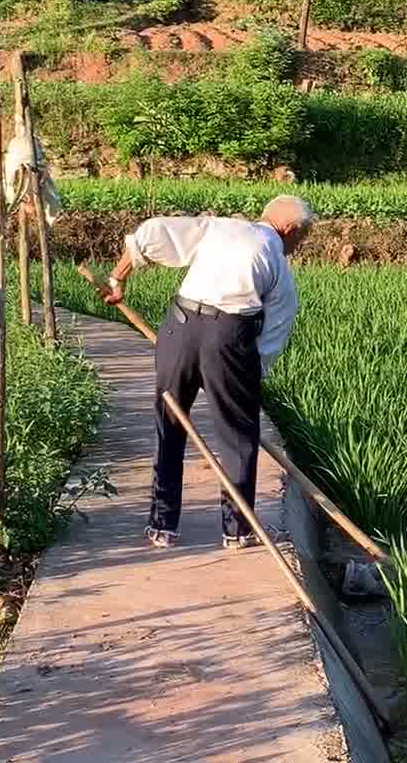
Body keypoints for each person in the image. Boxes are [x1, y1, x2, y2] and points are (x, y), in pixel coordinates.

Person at [103, 195, 316, 550]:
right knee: (236, 437)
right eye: (302, 238)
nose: (298, 245)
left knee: (169, 424)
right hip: (229, 337)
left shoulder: (220, 227)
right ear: (290, 229)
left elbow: (153, 232)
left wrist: (117, 277)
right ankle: (237, 531)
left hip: (180, 327)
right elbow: (271, 337)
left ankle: (162, 526)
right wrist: (242, 385)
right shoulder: (278, 266)